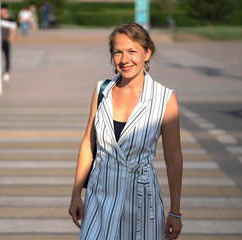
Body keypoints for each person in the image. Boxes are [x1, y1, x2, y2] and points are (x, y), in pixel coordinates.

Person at [69, 22, 183, 240]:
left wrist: (175, 212)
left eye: (132, 51)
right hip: (100, 198)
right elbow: (88, 144)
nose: (124, 59)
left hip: (141, 201)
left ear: (147, 53)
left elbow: (174, 157)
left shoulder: (165, 98)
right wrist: (76, 194)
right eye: (118, 52)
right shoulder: (102, 90)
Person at [0, 4, 17, 82]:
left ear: (6, 10)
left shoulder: (11, 20)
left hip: (6, 40)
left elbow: (13, 31)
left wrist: (10, 39)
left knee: (6, 57)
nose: (1, 11)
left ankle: (6, 72)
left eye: (2, 9)